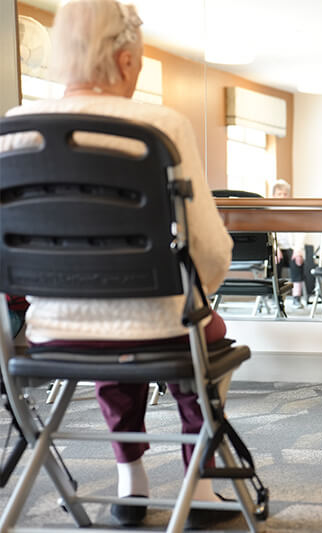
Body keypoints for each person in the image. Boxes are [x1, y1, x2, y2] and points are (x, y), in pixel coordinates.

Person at [1, 0, 236, 528]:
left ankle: (131, 484)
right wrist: (200, 293)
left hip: (50, 331)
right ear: (127, 58)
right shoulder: (159, 123)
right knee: (198, 331)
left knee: (112, 317)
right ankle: (199, 487)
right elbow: (211, 251)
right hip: (158, 325)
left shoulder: (12, 130)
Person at [272, 180, 310, 309]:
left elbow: (301, 233)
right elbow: (269, 234)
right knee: (274, 262)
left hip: (292, 249)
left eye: (285, 194)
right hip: (277, 249)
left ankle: (296, 298)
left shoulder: (294, 211)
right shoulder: (269, 211)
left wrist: (298, 251)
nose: (282, 196)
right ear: (274, 196)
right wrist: (275, 249)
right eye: (279, 194)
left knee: (297, 262)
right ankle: (274, 297)